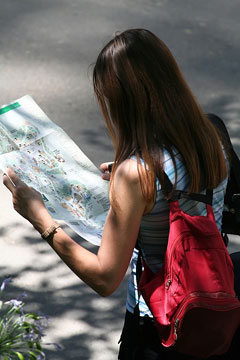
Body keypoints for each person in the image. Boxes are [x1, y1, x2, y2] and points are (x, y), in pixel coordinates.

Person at [3, 29, 238, 359]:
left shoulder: (136, 174)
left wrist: (40, 217)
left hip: (160, 325)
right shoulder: (211, 135)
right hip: (215, 306)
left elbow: (105, 278)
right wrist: (141, 179)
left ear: (126, 105)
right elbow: (183, 182)